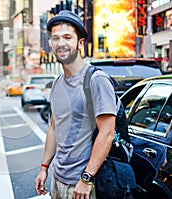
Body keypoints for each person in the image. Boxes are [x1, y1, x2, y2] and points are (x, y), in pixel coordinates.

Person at [34, 10, 117, 199]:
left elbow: (107, 133)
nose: (60, 43)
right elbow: (55, 128)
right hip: (58, 179)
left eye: (67, 37)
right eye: (55, 38)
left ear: (80, 43)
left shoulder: (96, 80)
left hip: (83, 185)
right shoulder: (57, 83)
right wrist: (44, 168)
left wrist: (86, 179)